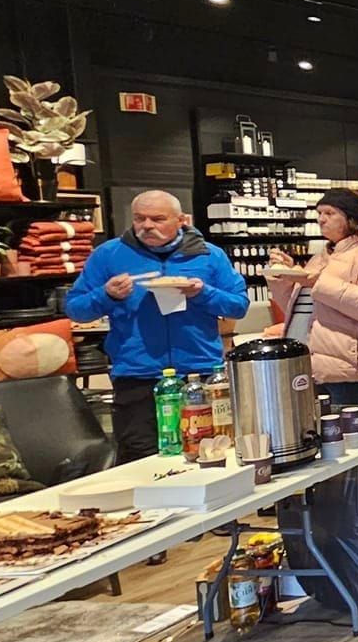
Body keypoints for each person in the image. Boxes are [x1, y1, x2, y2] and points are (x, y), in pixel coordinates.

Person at [66, 190, 250, 460]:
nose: (147, 226)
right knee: (140, 459)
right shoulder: (108, 255)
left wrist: (203, 293)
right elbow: (75, 309)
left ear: (181, 220)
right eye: (139, 219)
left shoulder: (209, 256)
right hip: (137, 376)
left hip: (198, 373)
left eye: (157, 219)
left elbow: (238, 305)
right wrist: (105, 295)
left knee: (208, 453)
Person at [266, 188, 358, 408]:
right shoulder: (320, 259)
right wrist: (283, 277)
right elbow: (303, 309)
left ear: (351, 219)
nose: (321, 219)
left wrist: (318, 282)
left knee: (354, 427)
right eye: (319, 213)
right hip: (317, 368)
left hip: (356, 372)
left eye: (329, 213)